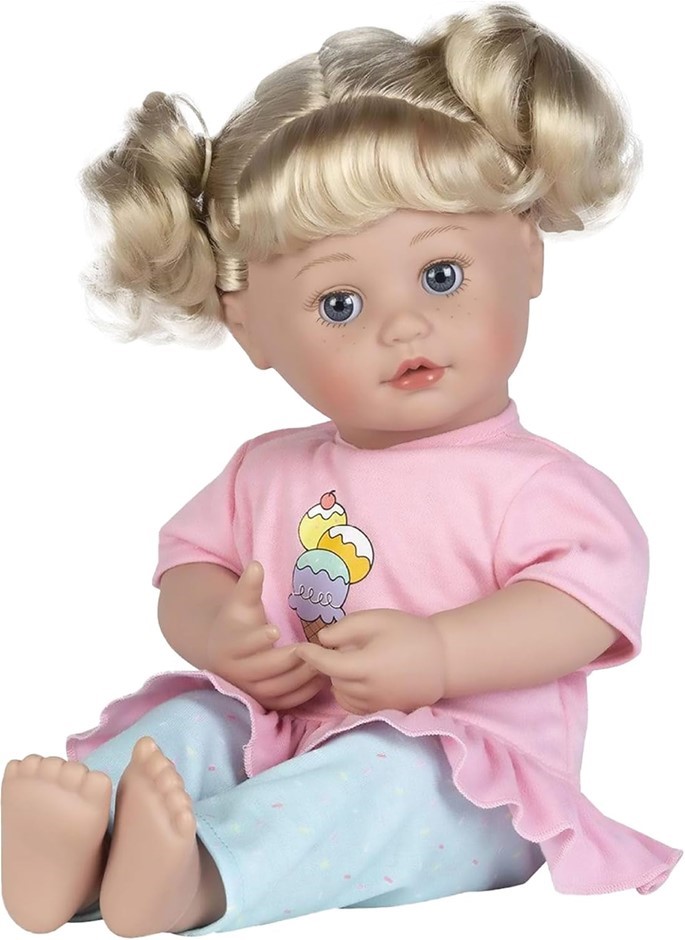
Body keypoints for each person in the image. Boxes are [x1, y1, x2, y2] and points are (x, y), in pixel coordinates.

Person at [1, 4, 681, 936]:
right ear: (251, 329)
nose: (402, 326)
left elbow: (579, 610)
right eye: (338, 303)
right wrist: (217, 633)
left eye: (440, 275)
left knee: (380, 781)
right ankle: (79, 854)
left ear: (525, 252)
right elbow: (187, 568)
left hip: (471, 780)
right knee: (192, 729)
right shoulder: (266, 470)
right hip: (280, 732)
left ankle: (197, 881)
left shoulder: (539, 488)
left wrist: (440, 655)